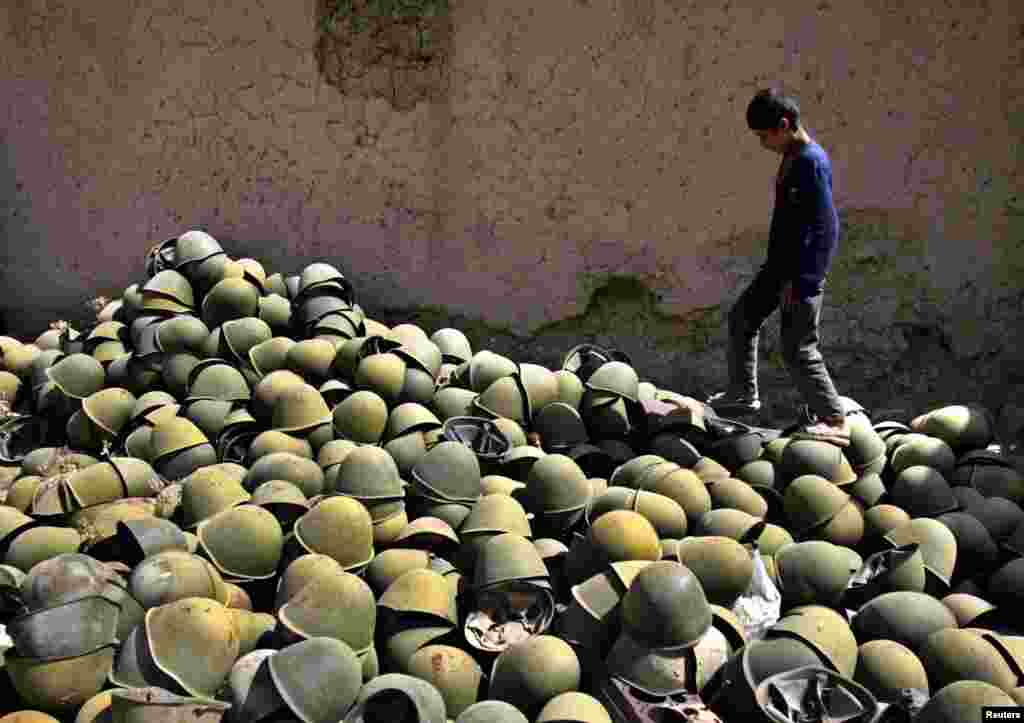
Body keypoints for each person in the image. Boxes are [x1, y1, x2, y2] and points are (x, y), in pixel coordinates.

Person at [706, 88, 851, 447]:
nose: (761, 143)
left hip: (800, 273)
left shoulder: (810, 162)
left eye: (763, 135)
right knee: (742, 318)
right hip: (780, 266)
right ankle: (742, 394)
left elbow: (825, 226)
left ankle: (834, 419)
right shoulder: (792, 156)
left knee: (798, 347)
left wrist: (802, 280)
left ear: (784, 125)